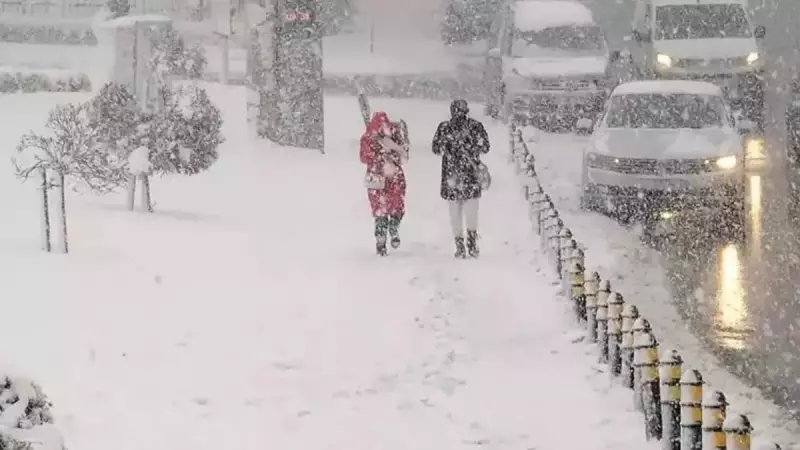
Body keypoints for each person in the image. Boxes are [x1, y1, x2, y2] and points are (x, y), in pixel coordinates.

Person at [432, 99, 490, 258]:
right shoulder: (475, 127)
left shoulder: (445, 128)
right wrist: (472, 147)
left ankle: (460, 244)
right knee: (471, 212)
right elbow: (485, 146)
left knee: (455, 213)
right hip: (469, 175)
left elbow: (436, 148)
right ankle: (471, 243)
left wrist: (448, 144)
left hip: (452, 175)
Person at [360, 111, 409, 256]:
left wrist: (376, 154)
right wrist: (391, 153)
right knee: (396, 206)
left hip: (377, 177)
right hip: (394, 176)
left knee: (379, 210)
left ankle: (380, 242)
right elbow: (403, 156)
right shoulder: (395, 134)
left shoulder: (368, 136)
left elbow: (364, 157)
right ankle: (393, 228)